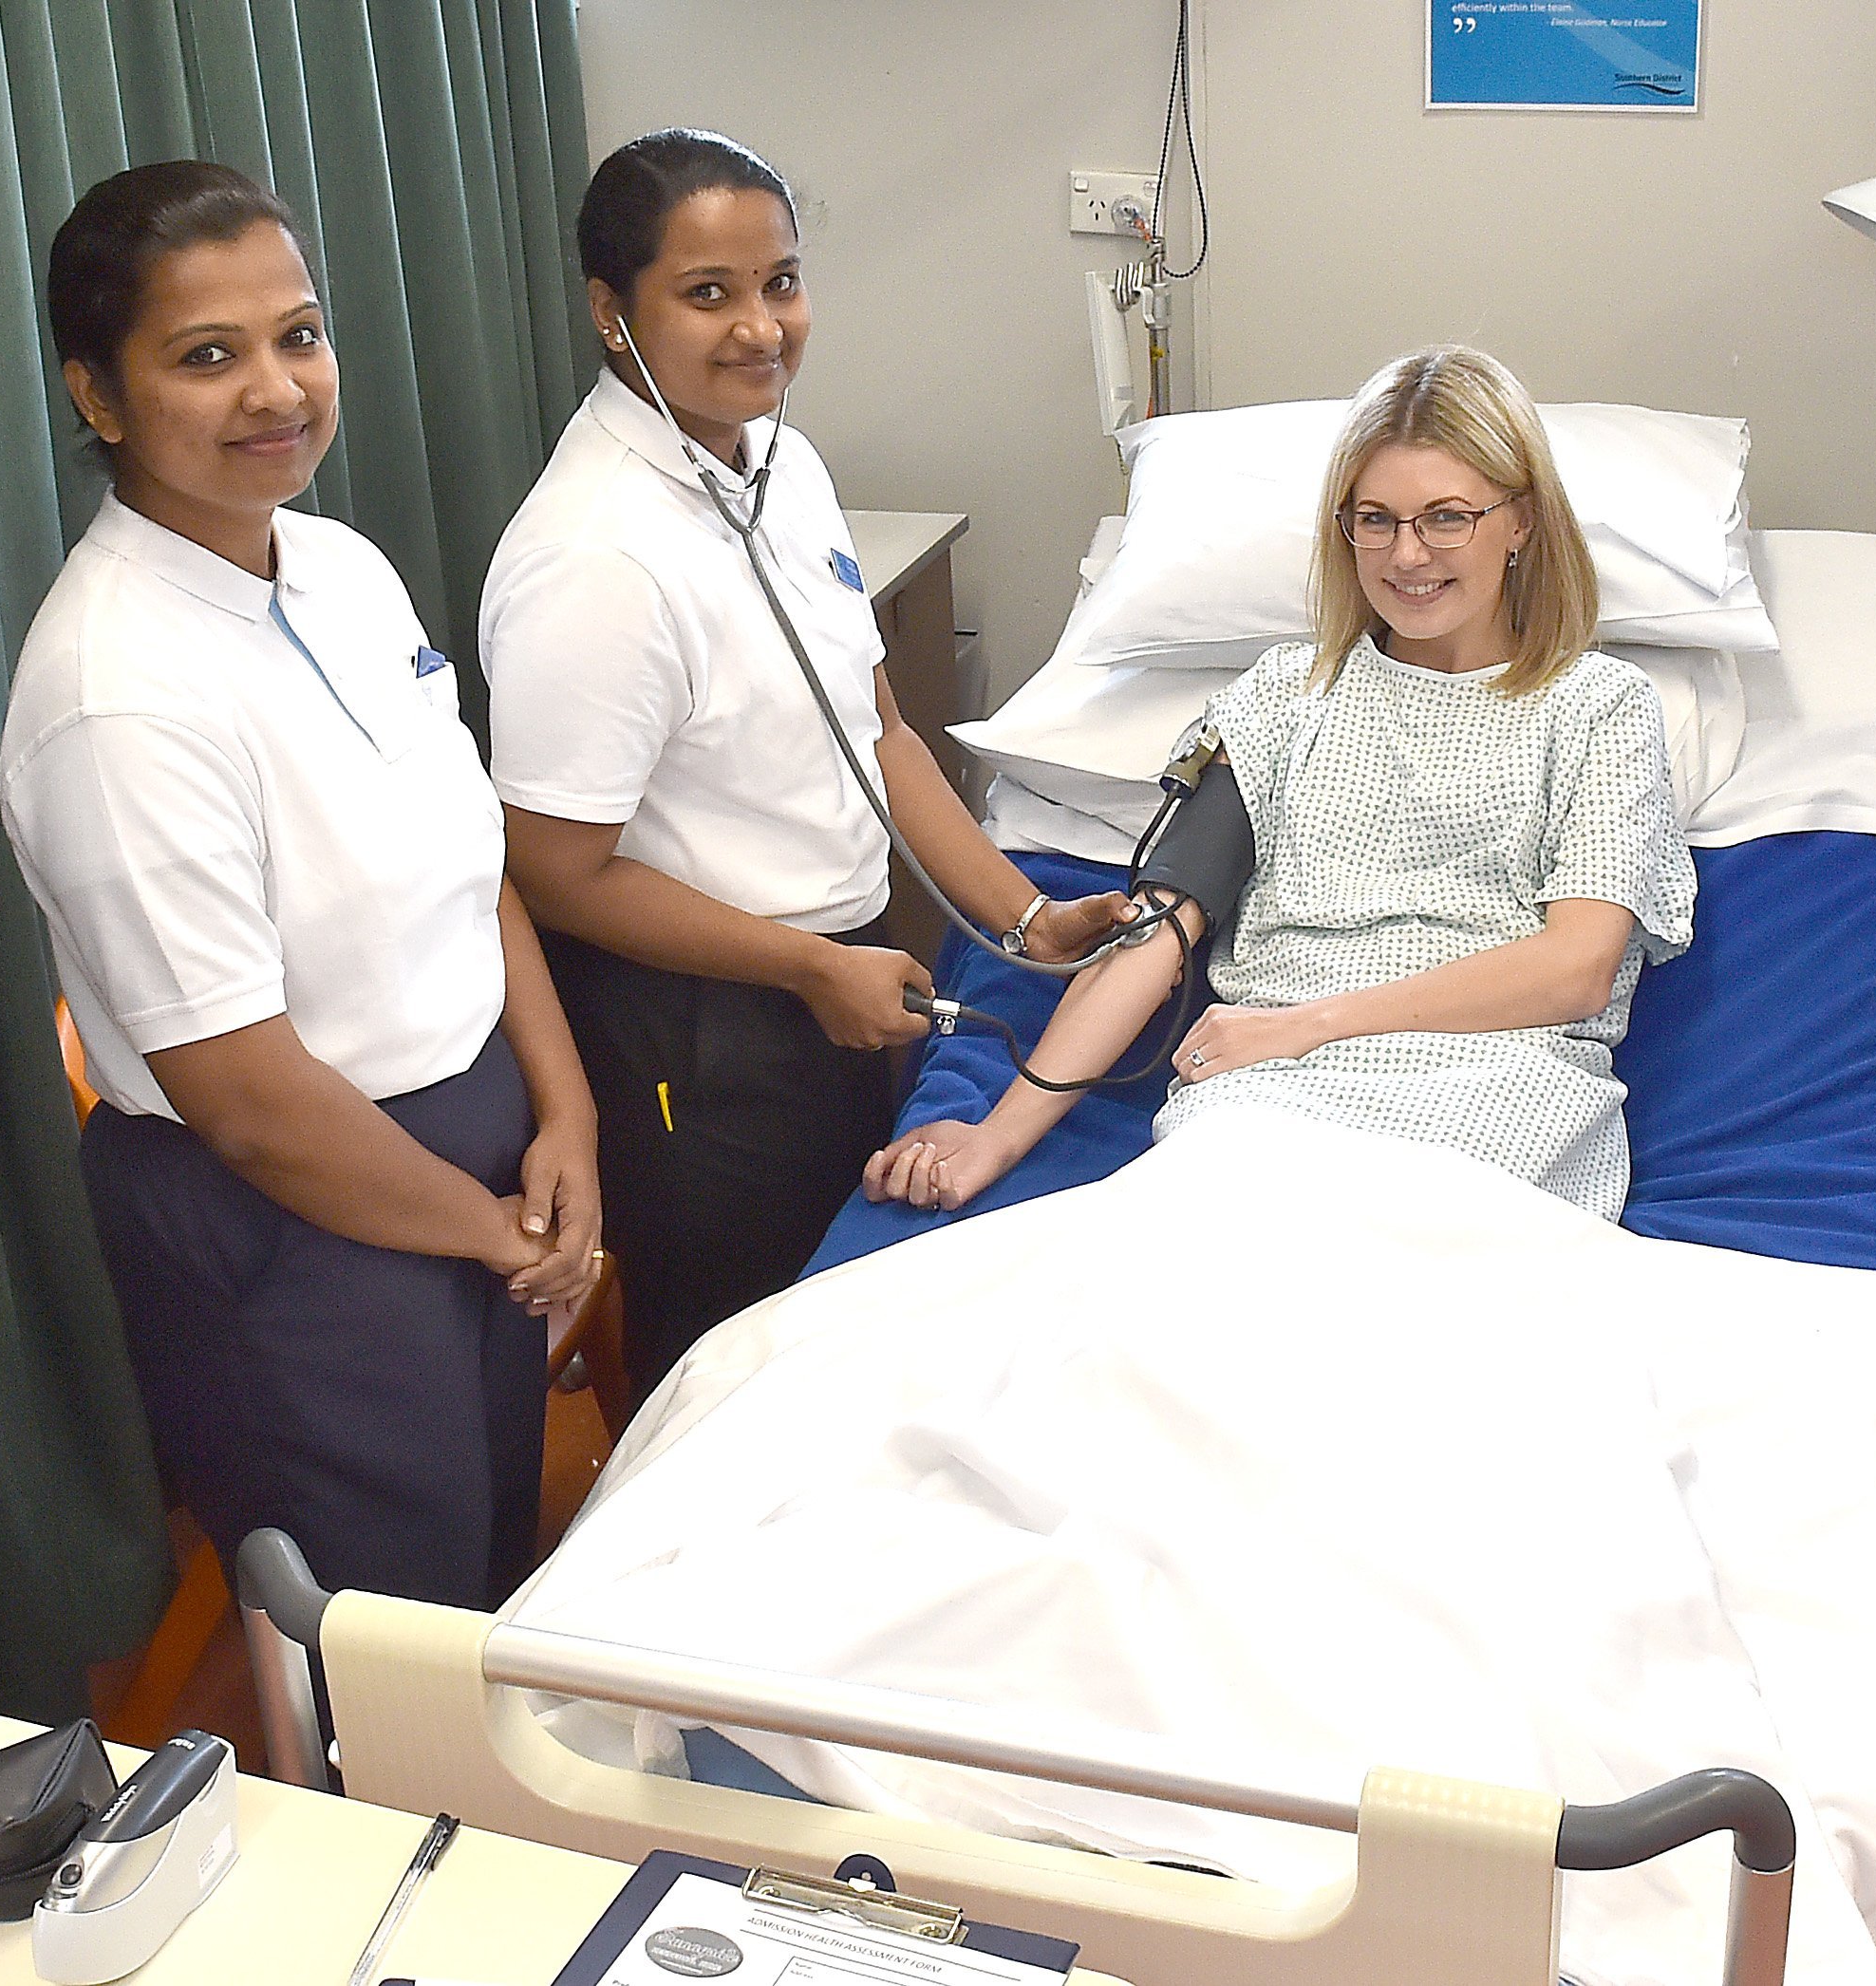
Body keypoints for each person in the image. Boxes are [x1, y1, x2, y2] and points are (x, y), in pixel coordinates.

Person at [2, 161, 604, 1610]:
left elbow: (477, 868)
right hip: (295, 1219)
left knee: (483, 1587)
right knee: (375, 1647)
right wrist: (489, 1230)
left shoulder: (339, 567)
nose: (275, 388)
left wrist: (568, 1115)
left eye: (299, 336)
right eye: (207, 357)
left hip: (481, 1152)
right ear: (99, 398)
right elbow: (251, 1099)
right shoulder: (114, 691)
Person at [484, 128, 1119, 1387]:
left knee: (837, 1336)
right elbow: (556, 872)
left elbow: (876, 728)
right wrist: (811, 966)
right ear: (613, 314)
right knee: (733, 1374)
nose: (760, 329)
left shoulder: (778, 459)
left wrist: (1022, 919)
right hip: (697, 1035)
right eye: (706, 294)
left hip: (827, 987)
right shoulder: (596, 560)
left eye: (780, 282)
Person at [863, 344, 1695, 1220]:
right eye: (1374, 519)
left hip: (1494, 1080)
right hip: (1272, 1088)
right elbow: (1155, 937)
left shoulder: (1599, 706)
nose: (1407, 556)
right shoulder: (1283, 698)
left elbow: (1578, 968)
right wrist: (996, 1135)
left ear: (1521, 520)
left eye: (1447, 517)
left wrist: (1308, 1024)